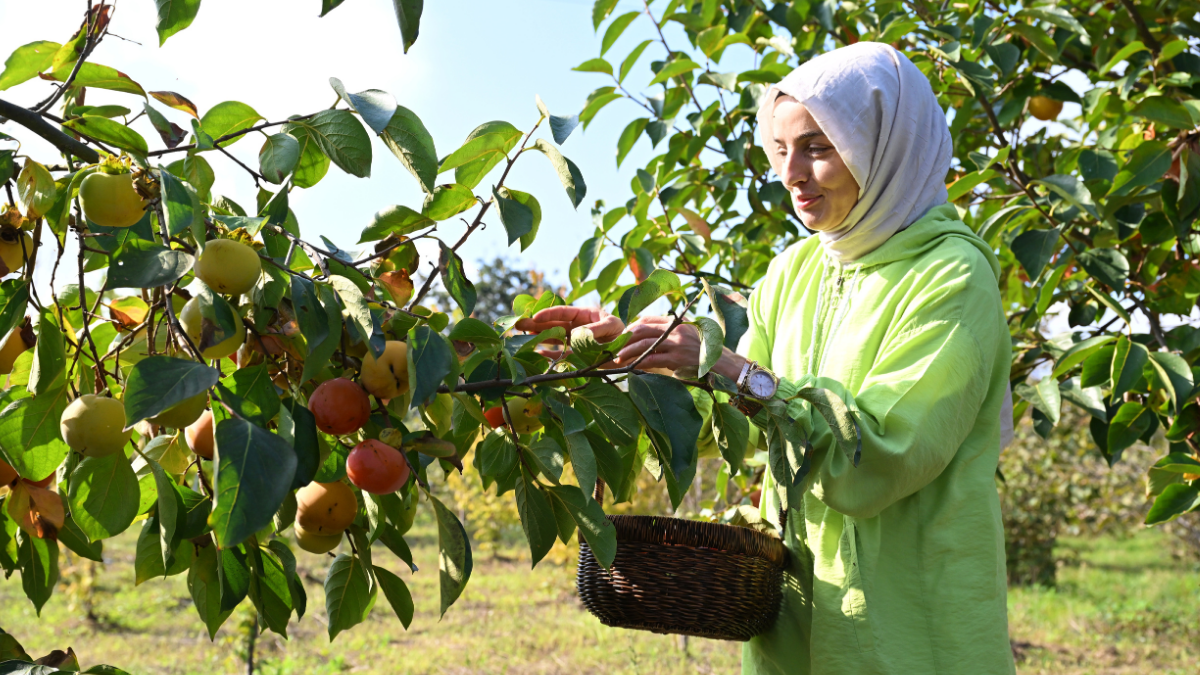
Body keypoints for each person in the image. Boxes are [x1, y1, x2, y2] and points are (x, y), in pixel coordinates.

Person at [518, 42, 1016, 675]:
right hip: (798, 610)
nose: (791, 174)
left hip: (911, 615)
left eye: (817, 147)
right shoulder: (796, 271)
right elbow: (736, 424)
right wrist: (631, 363)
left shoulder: (951, 275)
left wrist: (726, 366)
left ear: (885, 146)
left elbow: (879, 461)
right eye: (781, 152)